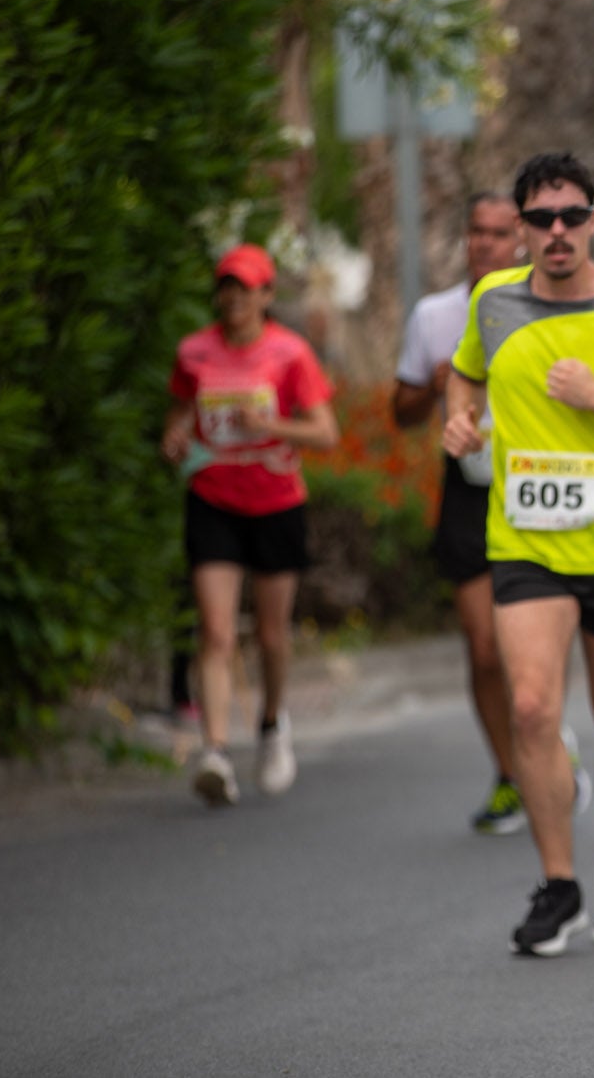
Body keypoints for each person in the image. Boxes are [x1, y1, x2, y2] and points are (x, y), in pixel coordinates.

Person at [442, 152, 594, 956]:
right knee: (534, 707)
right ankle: (558, 883)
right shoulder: (492, 301)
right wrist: (459, 417)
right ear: (519, 230)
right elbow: (464, 374)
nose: (557, 232)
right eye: (539, 220)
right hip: (526, 543)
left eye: (571, 215)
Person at [393, 191, 581, 835]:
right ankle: (512, 774)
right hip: (470, 487)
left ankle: (549, 736)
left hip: (543, 481)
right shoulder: (436, 314)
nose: (485, 244)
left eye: (499, 234)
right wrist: (437, 384)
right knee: (482, 649)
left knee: (537, 642)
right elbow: (400, 412)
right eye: (476, 232)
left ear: (522, 241)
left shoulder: (556, 305)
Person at [162, 244, 338, 807]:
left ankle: (270, 723)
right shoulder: (194, 352)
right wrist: (175, 436)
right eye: (226, 286)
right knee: (215, 630)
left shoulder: (290, 354)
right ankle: (215, 751)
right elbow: (181, 410)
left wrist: (270, 424)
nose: (234, 297)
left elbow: (326, 433)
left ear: (266, 295)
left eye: (246, 287)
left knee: (269, 635)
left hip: (276, 501)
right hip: (213, 497)